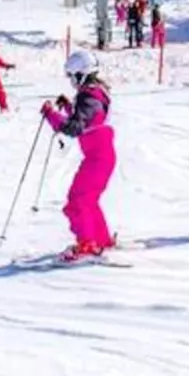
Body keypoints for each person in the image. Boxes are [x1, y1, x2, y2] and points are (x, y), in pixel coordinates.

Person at [41, 50, 116, 261]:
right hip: (101, 157)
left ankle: (87, 244)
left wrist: (51, 114)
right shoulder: (94, 93)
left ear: (81, 74)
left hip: (97, 159)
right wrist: (67, 107)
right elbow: (86, 119)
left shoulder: (90, 97)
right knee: (88, 200)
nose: (72, 82)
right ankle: (101, 240)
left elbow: (74, 127)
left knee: (77, 201)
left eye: (72, 77)